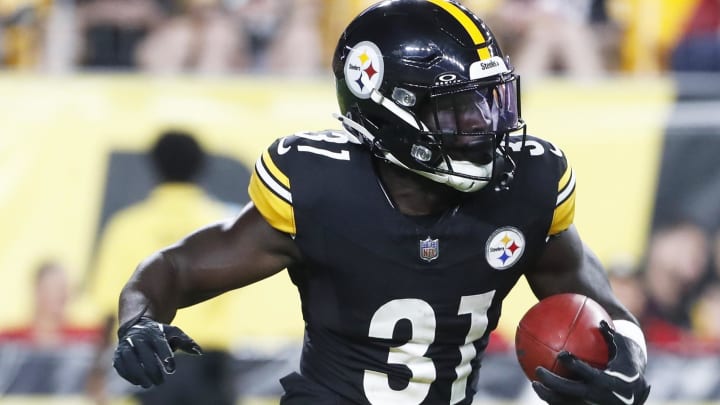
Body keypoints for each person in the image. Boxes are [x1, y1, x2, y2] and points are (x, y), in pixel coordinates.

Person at [111, 1, 651, 404]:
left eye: (488, 102)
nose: (485, 124)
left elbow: (614, 316)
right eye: (456, 109)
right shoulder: (323, 187)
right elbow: (173, 268)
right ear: (389, 113)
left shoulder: (526, 184)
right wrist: (138, 321)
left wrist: (627, 361)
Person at [88, 130, 238, 405]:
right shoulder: (222, 225)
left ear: (154, 167)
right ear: (201, 167)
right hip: (209, 365)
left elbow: (111, 307)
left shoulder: (126, 227)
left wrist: (96, 370)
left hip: (148, 361)